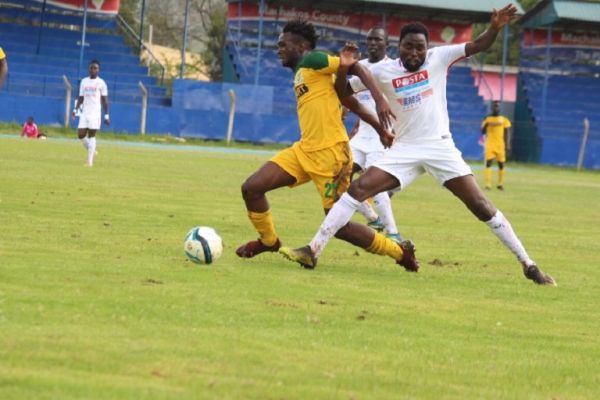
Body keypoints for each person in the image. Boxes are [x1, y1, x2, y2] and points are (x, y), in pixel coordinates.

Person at [281, 4, 556, 286]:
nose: (414, 53)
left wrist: (495, 27)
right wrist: (347, 73)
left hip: (439, 147)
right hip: (404, 149)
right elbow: (343, 92)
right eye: (409, 47)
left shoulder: (440, 57)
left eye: (419, 48)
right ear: (398, 46)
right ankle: (313, 250)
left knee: (480, 204)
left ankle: (529, 265)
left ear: (427, 48)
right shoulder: (384, 71)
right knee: (357, 189)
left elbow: (480, 44)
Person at [236, 19, 418, 272]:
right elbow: (349, 102)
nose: (278, 49)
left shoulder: (314, 60)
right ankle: (269, 241)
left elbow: (355, 67)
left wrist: (379, 101)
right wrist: (380, 129)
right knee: (252, 188)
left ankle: (400, 252)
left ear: (300, 46)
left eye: (282, 44)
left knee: (340, 226)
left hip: (330, 155)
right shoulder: (303, 71)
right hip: (304, 150)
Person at [348, 27, 401, 242]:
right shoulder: (359, 67)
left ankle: (393, 233)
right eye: (369, 39)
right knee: (339, 175)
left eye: (377, 40)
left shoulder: (393, 67)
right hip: (362, 135)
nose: (372, 43)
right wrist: (355, 123)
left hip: (383, 134)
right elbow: (355, 97)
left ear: (386, 44)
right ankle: (372, 217)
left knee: (374, 183)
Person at [72, 59, 109, 167]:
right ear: (89, 69)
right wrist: (75, 110)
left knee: (92, 135)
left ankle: (89, 162)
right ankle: (92, 150)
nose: (93, 70)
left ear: (99, 70)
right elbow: (81, 97)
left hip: (95, 113)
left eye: (95, 68)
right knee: (81, 135)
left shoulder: (101, 83)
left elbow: (105, 100)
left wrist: (106, 115)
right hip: (85, 113)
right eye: (91, 68)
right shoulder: (84, 81)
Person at [481, 100, 512, 190]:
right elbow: (482, 131)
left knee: (501, 164)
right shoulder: (487, 119)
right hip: (490, 144)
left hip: (500, 145)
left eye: (498, 106)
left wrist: (508, 145)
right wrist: (486, 124)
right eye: (495, 106)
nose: (496, 108)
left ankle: (500, 184)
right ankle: (488, 185)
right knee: (488, 163)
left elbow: (507, 133)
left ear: (500, 108)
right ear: (491, 108)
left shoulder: (504, 119)